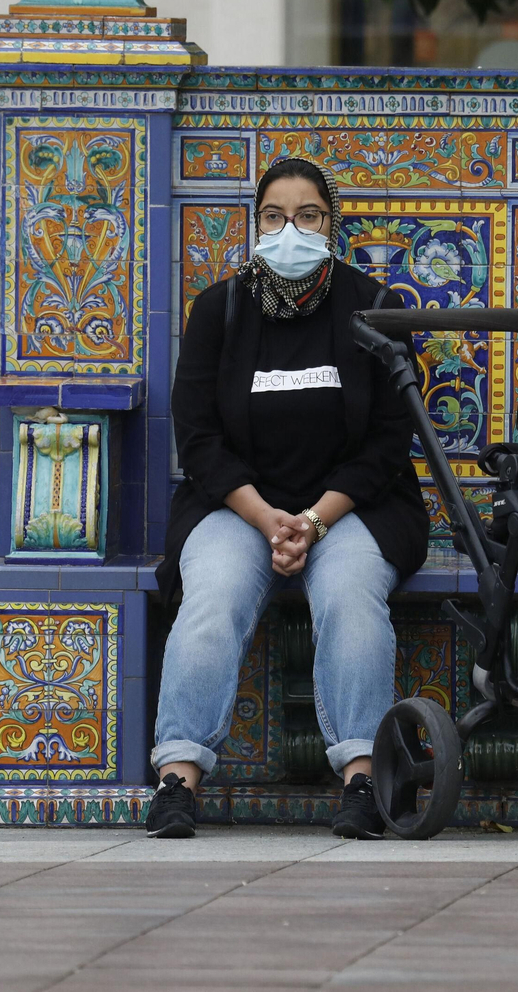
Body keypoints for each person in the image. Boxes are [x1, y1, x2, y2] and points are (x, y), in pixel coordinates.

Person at [146, 157, 429, 840]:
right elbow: (199, 438)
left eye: (308, 216)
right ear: (256, 225)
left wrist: (313, 520)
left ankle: (363, 778)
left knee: (351, 596)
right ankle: (177, 780)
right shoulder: (219, 310)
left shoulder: (375, 309)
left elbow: (390, 441)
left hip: (351, 509)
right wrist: (265, 516)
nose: (290, 231)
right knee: (211, 593)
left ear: (332, 225)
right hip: (238, 507)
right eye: (274, 217)